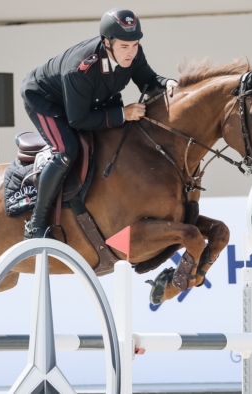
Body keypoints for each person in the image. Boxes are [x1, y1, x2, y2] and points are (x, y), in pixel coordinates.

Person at [20, 7, 178, 239]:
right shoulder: (81, 69)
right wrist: (122, 114)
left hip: (86, 99)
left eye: (134, 45)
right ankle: (36, 223)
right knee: (67, 150)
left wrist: (169, 83)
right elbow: (78, 119)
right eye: (124, 46)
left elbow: (149, 80)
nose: (131, 53)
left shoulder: (132, 50)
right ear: (107, 42)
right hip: (44, 100)